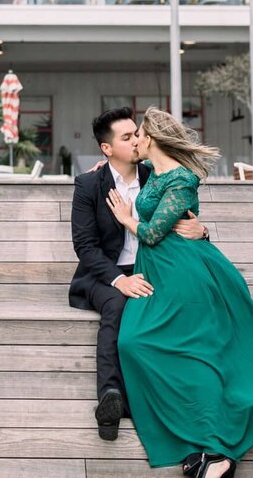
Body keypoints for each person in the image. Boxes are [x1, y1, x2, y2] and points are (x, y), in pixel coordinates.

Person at [106, 107, 253, 477]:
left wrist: (127, 219)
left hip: (185, 273)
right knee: (133, 343)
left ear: (151, 137)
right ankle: (195, 440)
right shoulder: (152, 171)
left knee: (194, 351)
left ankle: (216, 451)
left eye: (138, 134)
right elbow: (120, 171)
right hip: (157, 271)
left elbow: (154, 233)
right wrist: (101, 167)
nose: (134, 140)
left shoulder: (182, 179)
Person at [68, 107, 209, 442]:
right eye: (127, 137)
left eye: (138, 134)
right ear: (107, 149)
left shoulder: (156, 176)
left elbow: (185, 217)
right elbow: (86, 247)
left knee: (178, 306)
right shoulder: (90, 184)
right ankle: (110, 398)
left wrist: (202, 231)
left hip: (154, 268)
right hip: (104, 275)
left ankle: (185, 401)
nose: (137, 141)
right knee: (118, 305)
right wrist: (120, 280)